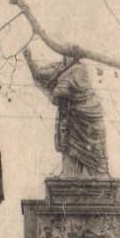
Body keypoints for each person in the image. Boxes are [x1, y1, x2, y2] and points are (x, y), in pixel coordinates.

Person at [24, 47, 110, 178]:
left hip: (88, 114)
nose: (65, 58)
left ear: (74, 56)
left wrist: (60, 87)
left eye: (68, 55)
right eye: (64, 55)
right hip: (72, 115)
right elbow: (40, 75)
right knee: (71, 146)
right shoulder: (61, 68)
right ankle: (71, 174)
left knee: (91, 149)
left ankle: (92, 175)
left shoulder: (79, 69)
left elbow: (62, 91)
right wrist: (29, 60)